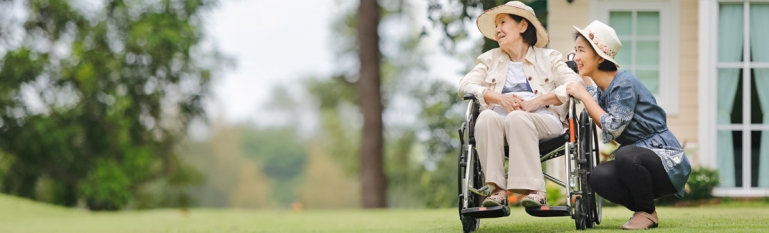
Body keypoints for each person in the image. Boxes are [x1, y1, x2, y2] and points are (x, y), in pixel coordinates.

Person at [566, 20, 692, 230]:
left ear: (599, 57)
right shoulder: (604, 86)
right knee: (598, 177)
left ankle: (645, 213)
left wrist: (582, 95)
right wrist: (582, 79)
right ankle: (646, 209)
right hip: (637, 161)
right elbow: (595, 98)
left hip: (666, 160)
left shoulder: (624, 83)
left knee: (626, 155)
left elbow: (612, 127)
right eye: (575, 50)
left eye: (581, 50)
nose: (576, 56)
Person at [457, 1, 582, 208]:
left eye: (503, 22)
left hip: (543, 119)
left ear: (522, 26)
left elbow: (574, 83)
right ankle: (497, 191)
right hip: (499, 122)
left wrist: (539, 101)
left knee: (517, 117)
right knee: (485, 117)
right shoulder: (489, 59)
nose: (497, 29)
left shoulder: (548, 57)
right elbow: (465, 85)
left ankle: (535, 191)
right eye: (496, 25)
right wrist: (498, 98)